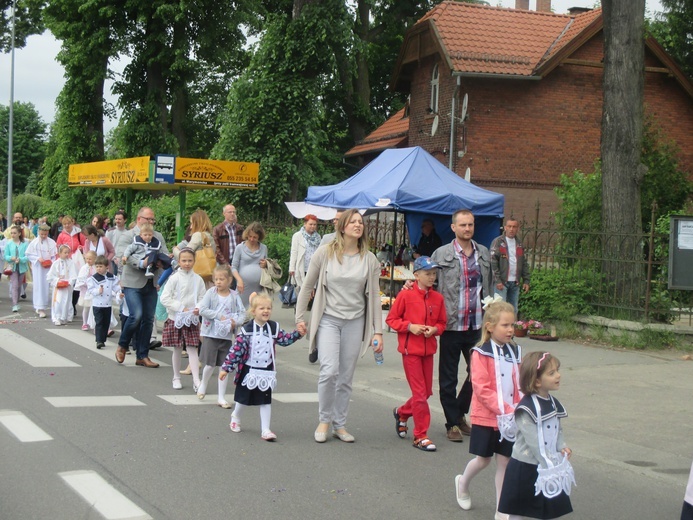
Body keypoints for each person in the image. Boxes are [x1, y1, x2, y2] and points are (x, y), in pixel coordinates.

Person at [295, 209, 383, 444]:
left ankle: (340, 424)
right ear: (342, 227)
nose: (358, 225)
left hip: (356, 321)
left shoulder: (369, 258)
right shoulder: (325, 253)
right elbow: (307, 286)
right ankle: (324, 419)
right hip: (329, 319)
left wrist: (378, 331)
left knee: (345, 376)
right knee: (329, 370)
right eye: (353, 222)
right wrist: (299, 317)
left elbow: (374, 296)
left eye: (361, 222)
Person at [454, 298, 522, 519]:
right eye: (505, 325)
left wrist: (520, 406)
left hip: (510, 418)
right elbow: (481, 388)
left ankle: (501, 510)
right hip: (487, 417)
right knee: (483, 460)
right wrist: (504, 408)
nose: (510, 329)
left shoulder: (515, 352)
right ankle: (462, 483)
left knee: (505, 462)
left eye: (512, 324)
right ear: (490, 326)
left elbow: (520, 382)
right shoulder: (480, 353)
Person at [431, 209, 493, 442]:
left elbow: (489, 287)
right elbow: (429, 282)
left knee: (480, 374)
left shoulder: (484, 253)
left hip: (477, 324)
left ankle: (458, 413)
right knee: (448, 378)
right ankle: (452, 424)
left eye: (471, 225)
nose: (467, 229)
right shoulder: (442, 253)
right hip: (450, 325)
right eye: (463, 225)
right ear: (453, 227)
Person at [498, 351, 574, 519]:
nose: (558, 375)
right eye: (552, 373)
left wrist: (561, 446)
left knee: (548, 509)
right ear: (537, 381)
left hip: (547, 463)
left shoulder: (552, 402)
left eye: (557, 370)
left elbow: (557, 428)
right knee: (518, 509)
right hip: (526, 466)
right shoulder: (526, 409)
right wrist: (548, 463)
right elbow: (534, 441)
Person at [220, 292, 303, 441]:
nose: (266, 311)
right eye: (261, 308)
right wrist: (226, 367)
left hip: (266, 370)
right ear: (253, 311)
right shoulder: (247, 330)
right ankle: (236, 416)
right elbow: (237, 351)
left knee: (265, 400)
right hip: (248, 369)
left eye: (268, 308)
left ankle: (265, 429)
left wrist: (298, 334)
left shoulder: (274, 328)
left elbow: (284, 340)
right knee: (243, 398)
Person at [386, 256, 447, 452]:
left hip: (428, 350)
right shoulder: (405, 295)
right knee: (420, 394)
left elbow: (442, 323)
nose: (431, 277)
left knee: (426, 392)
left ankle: (402, 413)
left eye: (433, 274)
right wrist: (410, 327)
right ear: (416, 275)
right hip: (410, 350)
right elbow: (391, 319)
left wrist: (434, 330)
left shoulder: (438, 298)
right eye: (428, 274)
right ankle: (420, 435)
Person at [115, 207, 169, 367]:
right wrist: (141, 263)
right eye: (148, 219)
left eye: (153, 220)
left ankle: (142, 355)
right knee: (136, 315)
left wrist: (161, 262)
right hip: (132, 282)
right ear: (139, 219)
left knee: (147, 319)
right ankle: (123, 344)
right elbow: (122, 256)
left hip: (151, 282)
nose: (151, 223)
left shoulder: (157, 236)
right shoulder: (128, 236)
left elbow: (164, 253)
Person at [197, 264, 245, 407]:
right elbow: (203, 309)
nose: (218, 282)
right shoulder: (211, 293)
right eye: (216, 279)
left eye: (222, 279)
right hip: (211, 333)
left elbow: (242, 313)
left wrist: (234, 322)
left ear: (229, 280)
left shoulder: (234, 296)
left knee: (225, 366)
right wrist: (219, 316)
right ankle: (203, 385)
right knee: (210, 364)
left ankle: (221, 397)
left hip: (226, 336)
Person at [159, 248, 206, 390]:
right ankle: (176, 377)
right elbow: (164, 298)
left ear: (194, 261)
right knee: (178, 348)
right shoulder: (174, 278)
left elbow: (202, 297)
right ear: (179, 261)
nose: (187, 263)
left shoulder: (198, 279)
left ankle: (197, 379)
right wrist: (179, 307)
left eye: (190, 260)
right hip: (176, 318)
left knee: (192, 348)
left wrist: (198, 307)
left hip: (191, 319)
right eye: (184, 260)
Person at [490, 218, 531, 314]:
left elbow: (523, 262)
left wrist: (526, 280)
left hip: (515, 282)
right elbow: (493, 261)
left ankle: (511, 329)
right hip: (502, 282)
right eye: (509, 226)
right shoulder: (498, 241)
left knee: (513, 310)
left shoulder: (519, 243)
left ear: (518, 228)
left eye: (514, 227)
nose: (511, 229)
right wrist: (498, 280)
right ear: (505, 227)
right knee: (500, 310)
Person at [87, 255, 123, 350]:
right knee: (99, 322)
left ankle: (103, 339)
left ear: (106, 267)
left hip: (107, 304)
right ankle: (99, 341)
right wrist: (98, 291)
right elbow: (91, 290)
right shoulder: (93, 278)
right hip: (97, 304)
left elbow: (116, 288)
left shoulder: (112, 278)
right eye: (97, 266)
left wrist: (120, 294)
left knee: (106, 323)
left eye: (101, 266)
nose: (98, 269)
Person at [231, 222, 268, 308]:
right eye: (250, 236)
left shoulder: (264, 248)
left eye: (255, 237)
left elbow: (266, 265)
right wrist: (239, 280)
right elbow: (233, 267)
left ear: (259, 237)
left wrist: (265, 264)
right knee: (241, 309)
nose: (251, 239)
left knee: (257, 309)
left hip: (259, 287)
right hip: (243, 286)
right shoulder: (239, 248)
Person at [56, 215, 86, 315]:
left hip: (77, 260)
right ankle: (69, 306)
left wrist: (82, 248)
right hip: (67, 261)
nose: (67, 225)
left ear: (73, 223)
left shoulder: (78, 233)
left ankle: (73, 303)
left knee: (77, 282)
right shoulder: (61, 235)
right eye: (65, 224)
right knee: (69, 283)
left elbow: (85, 244)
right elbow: (58, 248)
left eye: (69, 223)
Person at [25, 224, 57, 318]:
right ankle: (39, 307)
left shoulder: (51, 242)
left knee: (46, 286)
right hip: (38, 267)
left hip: (48, 267)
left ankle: (45, 305)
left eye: (45, 234)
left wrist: (51, 261)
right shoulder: (34, 242)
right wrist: (38, 258)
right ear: (39, 232)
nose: (43, 236)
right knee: (39, 286)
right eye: (42, 234)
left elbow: (54, 255)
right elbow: (28, 253)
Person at [289, 214, 321, 297]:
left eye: (314, 225)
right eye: (310, 224)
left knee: (312, 292)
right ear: (305, 224)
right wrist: (292, 268)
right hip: (301, 267)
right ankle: (298, 308)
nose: (313, 226)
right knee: (301, 292)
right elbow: (294, 252)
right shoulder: (297, 236)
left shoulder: (318, 237)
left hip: (313, 267)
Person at [46, 244, 78, 325]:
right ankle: (57, 317)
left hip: (67, 287)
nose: (67, 254)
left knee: (66, 301)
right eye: (65, 252)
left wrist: (69, 282)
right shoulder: (56, 263)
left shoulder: (71, 263)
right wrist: (57, 281)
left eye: (68, 252)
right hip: (59, 286)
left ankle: (65, 317)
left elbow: (73, 275)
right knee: (58, 301)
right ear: (59, 253)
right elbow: (50, 276)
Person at [4, 225, 29, 312]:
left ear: (19, 233)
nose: (12, 235)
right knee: (14, 285)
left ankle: (16, 302)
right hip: (12, 268)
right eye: (11, 233)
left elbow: (27, 256)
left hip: (22, 267)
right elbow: (5, 256)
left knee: (18, 286)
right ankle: (14, 304)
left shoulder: (25, 244)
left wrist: (21, 259)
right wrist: (11, 258)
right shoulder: (9, 244)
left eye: (14, 233)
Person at [75, 250, 98, 331]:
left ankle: (94, 323)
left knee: (94, 308)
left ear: (95, 259)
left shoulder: (96, 267)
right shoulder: (84, 268)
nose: (88, 260)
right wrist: (84, 283)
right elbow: (80, 278)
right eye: (87, 259)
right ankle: (85, 323)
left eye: (90, 259)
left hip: (94, 291)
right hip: (86, 290)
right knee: (86, 308)